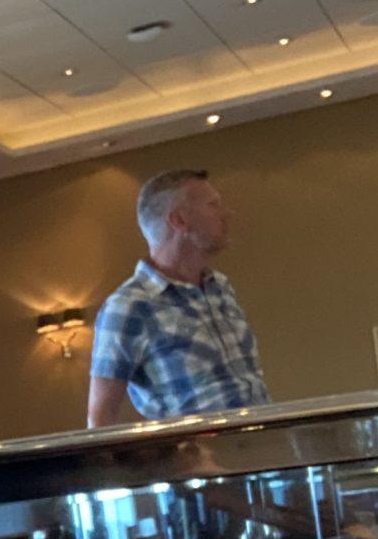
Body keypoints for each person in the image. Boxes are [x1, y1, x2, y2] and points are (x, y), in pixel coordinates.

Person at [86, 169, 271, 427]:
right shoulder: (129, 307)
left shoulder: (220, 287)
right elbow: (100, 419)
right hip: (202, 464)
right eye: (213, 206)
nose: (227, 215)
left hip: (267, 454)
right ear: (180, 220)